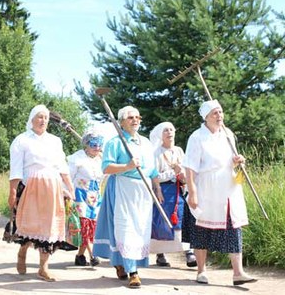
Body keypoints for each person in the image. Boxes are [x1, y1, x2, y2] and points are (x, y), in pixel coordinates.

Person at [182, 99, 257, 286]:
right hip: (206, 187)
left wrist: (238, 160)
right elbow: (190, 167)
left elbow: (229, 159)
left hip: (228, 186)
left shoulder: (227, 133)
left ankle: (238, 273)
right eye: (215, 113)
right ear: (206, 117)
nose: (219, 116)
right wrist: (192, 192)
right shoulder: (197, 137)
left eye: (221, 112)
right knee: (201, 228)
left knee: (233, 227)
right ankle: (201, 271)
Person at [93, 106, 162, 289]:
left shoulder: (146, 143)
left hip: (143, 191)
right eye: (131, 117)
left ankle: (122, 263)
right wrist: (127, 166)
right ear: (122, 121)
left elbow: (153, 169)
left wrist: (158, 187)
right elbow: (106, 168)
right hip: (122, 188)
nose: (135, 120)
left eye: (138, 117)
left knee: (139, 229)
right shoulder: (115, 142)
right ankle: (133, 272)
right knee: (125, 229)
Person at [8, 104, 75, 282]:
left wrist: (70, 186)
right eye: (39, 117)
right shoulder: (21, 140)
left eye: (45, 117)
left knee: (50, 226)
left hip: (52, 186)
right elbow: (15, 169)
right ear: (31, 119)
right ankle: (22, 252)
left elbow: (62, 165)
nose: (43, 120)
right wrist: (13, 191)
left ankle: (43, 267)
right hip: (29, 186)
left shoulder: (55, 141)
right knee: (29, 224)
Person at [148, 122, 197, 268]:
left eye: (171, 129)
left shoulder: (179, 151)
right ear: (160, 135)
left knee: (183, 219)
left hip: (179, 190)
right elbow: (154, 176)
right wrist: (173, 173)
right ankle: (160, 254)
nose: (169, 132)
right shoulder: (156, 153)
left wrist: (182, 177)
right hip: (163, 191)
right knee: (162, 222)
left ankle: (189, 252)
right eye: (165, 131)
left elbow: (184, 171)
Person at [67, 130, 104, 267]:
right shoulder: (77, 158)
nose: (97, 147)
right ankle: (92, 255)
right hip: (80, 195)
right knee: (84, 225)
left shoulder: (101, 159)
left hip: (95, 196)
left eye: (99, 144)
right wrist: (67, 194)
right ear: (86, 145)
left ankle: (80, 255)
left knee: (92, 226)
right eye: (94, 144)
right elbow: (68, 177)